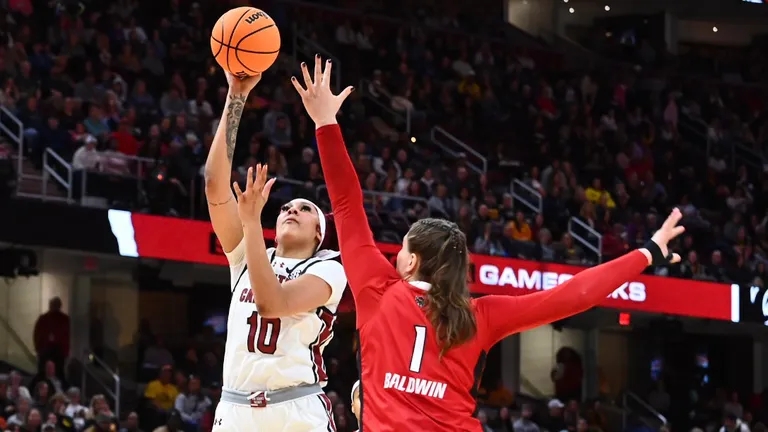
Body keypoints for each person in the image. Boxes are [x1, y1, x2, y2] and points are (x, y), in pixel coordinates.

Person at [292, 56, 686, 431]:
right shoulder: (480, 315)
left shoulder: (376, 290)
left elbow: (346, 203)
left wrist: (325, 121)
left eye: (402, 250)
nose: (394, 256)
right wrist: (646, 251)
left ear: (412, 262)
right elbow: (575, 294)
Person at [203, 71, 348, 432]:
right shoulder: (250, 256)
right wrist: (235, 98)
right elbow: (214, 184)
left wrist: (252, 224)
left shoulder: (330, 268)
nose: (290, 210)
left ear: (320, 233)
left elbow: (273, 303)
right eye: (286, 208)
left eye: (304, 209)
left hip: (296, 410)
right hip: (235, 409)